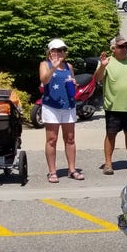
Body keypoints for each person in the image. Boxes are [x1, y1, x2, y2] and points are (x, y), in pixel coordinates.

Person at [39, 38, 83, 183]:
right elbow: (44, 80)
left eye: (62, 50)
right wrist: (53, 67)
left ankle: (72, 169)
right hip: (52, 106)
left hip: (68, 105)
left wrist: (74, 84)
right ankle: (52, 171)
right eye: (56, 50)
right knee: (52, 139)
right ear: (50, 52)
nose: (60, 53)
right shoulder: (45, 64)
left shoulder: (68, 66)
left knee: (70, 139)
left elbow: (71, 82)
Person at [94, 36, 127, 175]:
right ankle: (108, 163)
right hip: (113, 106)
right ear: (113, 49)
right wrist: (103, 66)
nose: (124, 49)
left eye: (125, 46)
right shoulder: (107, 62)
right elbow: (97, 78)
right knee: (111, 135)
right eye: (121, 47)